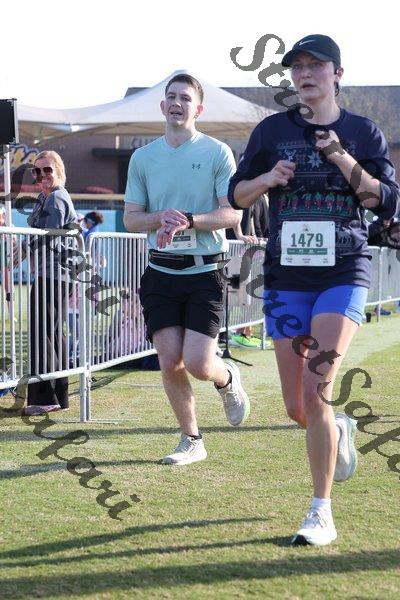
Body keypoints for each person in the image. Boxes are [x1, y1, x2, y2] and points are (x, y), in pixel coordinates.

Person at [228, 35, 400, 545]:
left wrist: (342, 157)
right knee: (297, 408)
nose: (305, 74)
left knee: (317, 389)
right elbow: (236, 195)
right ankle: (338, 430)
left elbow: (384, 200)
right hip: (285, 277)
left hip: (343, 272)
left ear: (337, 74)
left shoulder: (363, 132)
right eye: (297, 67)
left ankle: (320, 511)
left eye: (316, 65)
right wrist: (268, 179)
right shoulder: (271, 131)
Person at [124, 73, 250, 466]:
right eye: (171, 97)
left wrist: (189, 221)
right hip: (160, 272)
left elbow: (232, 214)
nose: (177, 103)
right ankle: (192, 439)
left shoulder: (217, 152)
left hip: (205, 272)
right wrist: (160, 217)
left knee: (198, 364)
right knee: (169, 360)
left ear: (199, 109)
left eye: (185, 98)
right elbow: (131, 219)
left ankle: (226, 378)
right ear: (163, 106)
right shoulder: (142, 158)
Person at [23, 151, 77, 415]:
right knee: (52, 334)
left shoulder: (56, 197)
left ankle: (45, 399)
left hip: (53, 274)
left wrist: (24, 248)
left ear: (59, 171)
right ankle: (57, 398)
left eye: (47, 170)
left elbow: (47, 234)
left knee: (42, 333)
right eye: (37, 171)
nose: (42, 175)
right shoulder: (46, 198)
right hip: (54, 274)